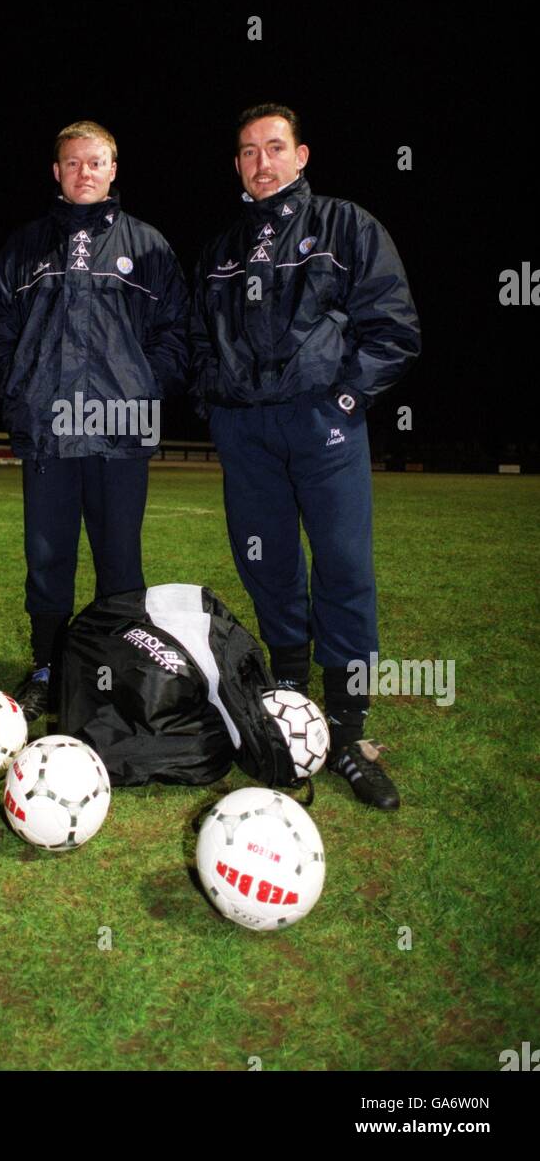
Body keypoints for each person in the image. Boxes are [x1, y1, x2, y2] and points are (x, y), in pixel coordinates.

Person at [190, 104, 420, 809]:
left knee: (343, 568)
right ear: (236, 164)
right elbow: (200, 341)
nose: (262, 161)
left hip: (322, 427)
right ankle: (290, 704)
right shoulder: (221, 247)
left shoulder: (346, 226)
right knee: (268, 565)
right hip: (247, 435)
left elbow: (393, 324)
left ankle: (347, 731)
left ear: (301, 155)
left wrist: (345, 401)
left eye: (274, 147)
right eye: (248, 151)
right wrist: (218, 409)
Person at [0, 120, 188, 719]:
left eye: (96, 162)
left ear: (113, 169)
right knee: (47, 558)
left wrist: (146, 389)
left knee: (120, 561)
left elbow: (178, 330)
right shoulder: (24, 248)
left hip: (122, 431)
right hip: (48, 431)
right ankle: (46, 667)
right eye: (73, 163)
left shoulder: (146, 246)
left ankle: (115, 670)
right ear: (57, 172)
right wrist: (18, 387)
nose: (85, 172)